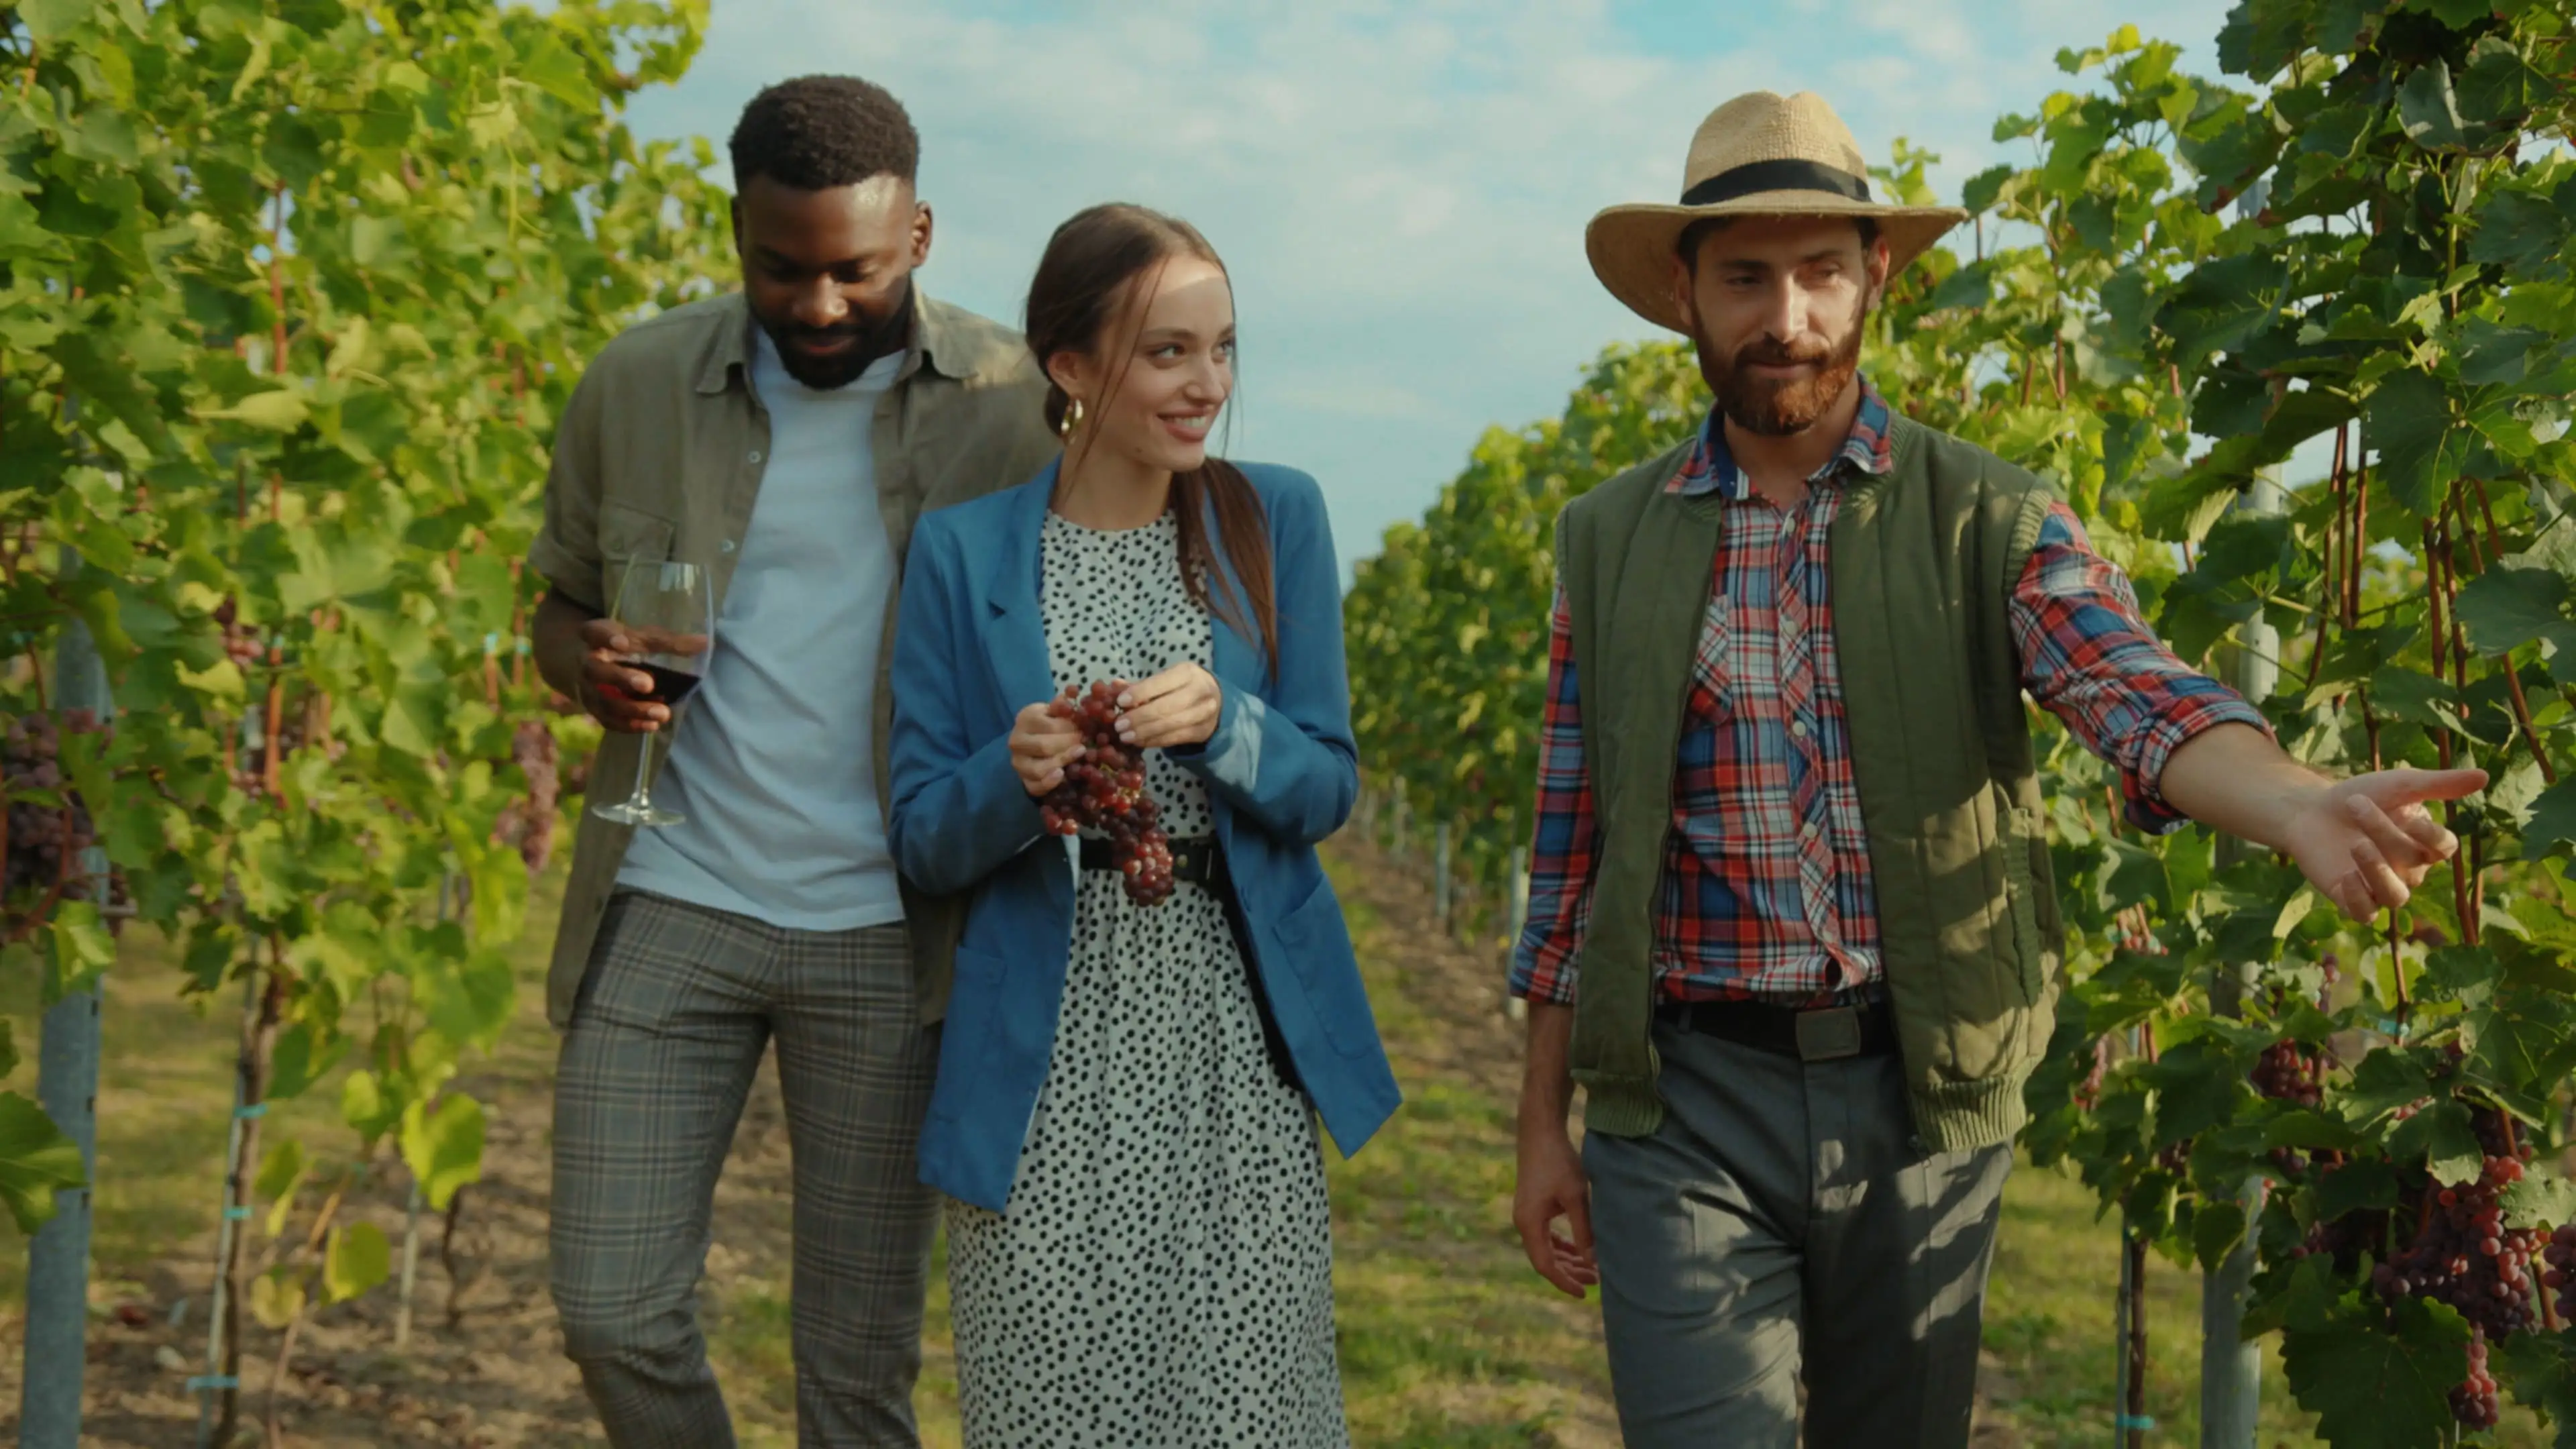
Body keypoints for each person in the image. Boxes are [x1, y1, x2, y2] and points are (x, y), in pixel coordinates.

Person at [1506, 90, 2486, 1448]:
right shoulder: (1605, 539)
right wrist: (1542, 1122)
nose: (1784, 315)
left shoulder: (1991, 514)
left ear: (1876, 280)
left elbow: (2126, 685)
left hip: (1917, 1095)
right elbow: (1572, 850)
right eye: (1745, 276)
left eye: (1820, 272)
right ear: (1685, 294)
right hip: (1680, 1108)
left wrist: (2295, 800)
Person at [527, 75, 1060, 1448]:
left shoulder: (1014, 410)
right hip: (673, 894)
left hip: (894, 935)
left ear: (922, 238)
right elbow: (559, 602)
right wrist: (582, 662)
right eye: (781, 269)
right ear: (736, 234)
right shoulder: (637, 380)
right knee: (611, 1311)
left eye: (855, 273)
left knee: (858, 1368)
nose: (818, 305)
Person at [885, 203, 1398, 1448]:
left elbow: (1328, 784)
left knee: (1246, 1404)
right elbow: (921, 838)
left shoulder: (1272, 516)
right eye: (1168, 352)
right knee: (1053, 1406)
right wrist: (1015, 776)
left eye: (1221, 349)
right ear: (1068, 365)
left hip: (1230, 1031)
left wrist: (1230, 725)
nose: (1206, 385)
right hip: (1042, 1051)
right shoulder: (963, 553)